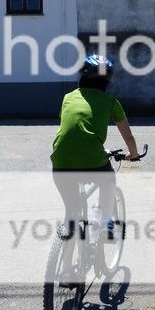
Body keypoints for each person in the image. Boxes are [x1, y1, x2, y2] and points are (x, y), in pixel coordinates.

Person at [50, 55, 141, 245]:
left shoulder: (68, 98)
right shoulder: (110, 102)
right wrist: (133, 154)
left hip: (60, 160)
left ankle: (66, 261)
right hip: (92, 158)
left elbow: (72, 128)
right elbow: (128, 137)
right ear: (107, 81)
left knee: (72, 211)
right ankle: (107, 222)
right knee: (108, 179)